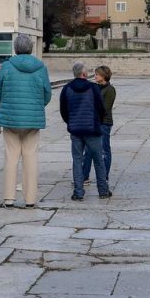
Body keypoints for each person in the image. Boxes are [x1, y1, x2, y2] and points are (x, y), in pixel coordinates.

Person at [0, 33, 52, 208]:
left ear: (15, 49)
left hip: (11, 119)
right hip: (32, 119)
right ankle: (30, 199)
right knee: (30, 157)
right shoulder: (41, 67)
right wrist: (36, 106)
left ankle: (9, 198)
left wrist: (4, 102)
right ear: (31, 48)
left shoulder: (7, 66)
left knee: (11, 157)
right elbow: (47, 94)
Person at [61, 62, 108, 201]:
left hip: (75, 130)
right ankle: (103, 191)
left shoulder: (67, 89)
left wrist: (71, 122)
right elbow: (101, 108)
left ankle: (78, 192)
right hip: (92, 129)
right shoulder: (93, 88)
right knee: (98, 160)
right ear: (84, 74)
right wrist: (98, 121)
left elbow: (63, 110)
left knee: (77, 160)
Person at [86, 65, 115, 185]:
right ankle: (84, 176)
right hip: (92, 122)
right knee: (88, 150)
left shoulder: (110, 90)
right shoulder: (94, 88)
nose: (95, 76)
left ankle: (104, 175)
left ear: (103, 76)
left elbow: (105, 108)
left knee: (104, 150)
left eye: (97, 74)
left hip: (104, 123)